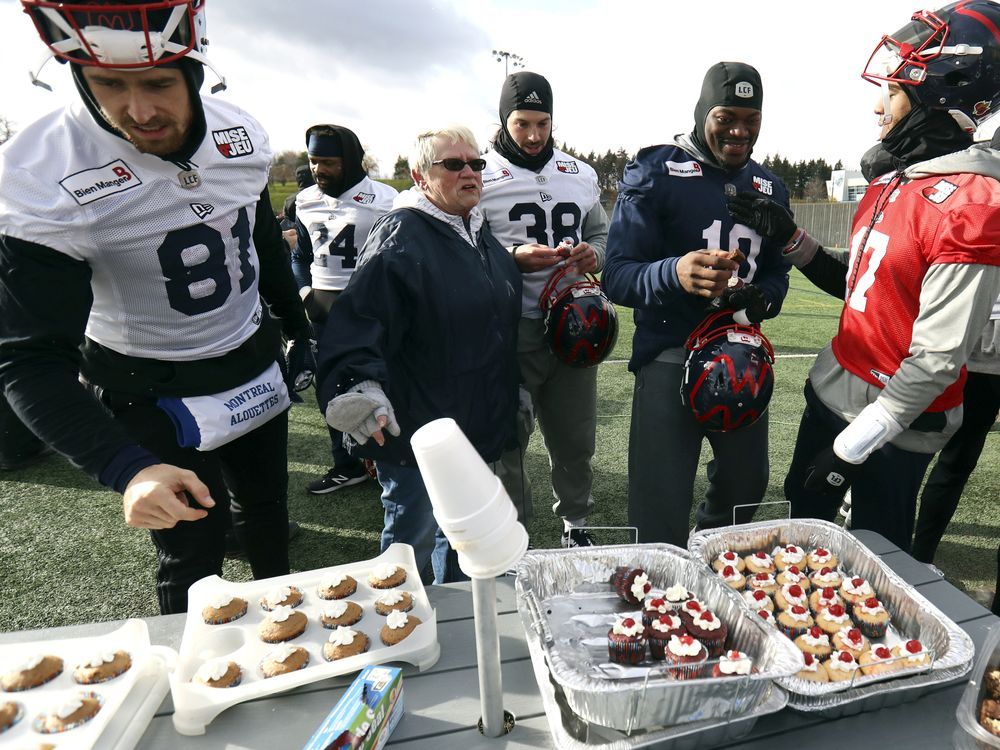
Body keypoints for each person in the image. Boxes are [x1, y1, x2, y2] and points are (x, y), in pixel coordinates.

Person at [0, 0, 310, 614]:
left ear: (193, 70)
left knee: (268, 513)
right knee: (192, 551)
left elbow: (260, 239)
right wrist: (128, 468)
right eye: (109, 84)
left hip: (248, 357)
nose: (139, 111)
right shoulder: (38, 172)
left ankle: (289, 626)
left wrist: (296, 325)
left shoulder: (239, 134)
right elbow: (27, 362)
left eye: (158, 83)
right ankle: (198, 681)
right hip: (149, 383)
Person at [729, 2, 1000, 552]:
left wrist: (853, 445)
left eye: (895, 90)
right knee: (804, 536)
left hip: (896, 421)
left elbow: (937, 359)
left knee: (877, 557)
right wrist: (791, 240)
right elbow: (860, 288)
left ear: (940, 98)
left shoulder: (969, 203)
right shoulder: (892, 183)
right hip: (836, 389)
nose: (879, 105)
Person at [317, 126, 521, 584]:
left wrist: (511, 393)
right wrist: (360, 385)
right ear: (420, 176)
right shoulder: (402, 235)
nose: (469, 172)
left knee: (465, 540)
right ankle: (398, 638)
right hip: (418, 429)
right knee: (412, 538)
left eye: (475, 163)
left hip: (473, 422)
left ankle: (460, 634)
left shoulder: (475, 229)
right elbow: (359, 318)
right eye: (453, 164)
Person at [603, 62, 791, 548]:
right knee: (659, 498)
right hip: (671, 352)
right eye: (727, 116)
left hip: (742, 353)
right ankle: (660, 594)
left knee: (744, 489)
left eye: (751, 119)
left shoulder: (771, 186)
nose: (739, 130)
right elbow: (617, 275)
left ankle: (713, 568)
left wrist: (761, 297)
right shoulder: (656, 169)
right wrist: (674, 272)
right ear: (704, 112)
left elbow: (776, 272)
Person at [479, 71, 609, 548]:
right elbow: (464, 245)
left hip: (574, 323)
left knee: (574, 437)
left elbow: (602, 234)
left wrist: (595, 254)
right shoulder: (479, 173)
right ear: (504, 120)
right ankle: (514, 535)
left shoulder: (580, 173)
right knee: (509, 439)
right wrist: (511, 259)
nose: (534, 136)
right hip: (510, 327)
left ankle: (576, 524)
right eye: (522, 124)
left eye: (543, 123)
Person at [291, 124, 397, 495]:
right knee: (331, 391)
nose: (319, 170)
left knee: (384, 386)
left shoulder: (387, 199)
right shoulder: (304, 200)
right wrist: (305, 292)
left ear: (350, 161)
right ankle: (346, 464)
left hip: (370, 310)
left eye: (329, 162)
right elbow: (300, 255)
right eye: (314, 161)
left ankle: (389, 466)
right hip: (322, 308)